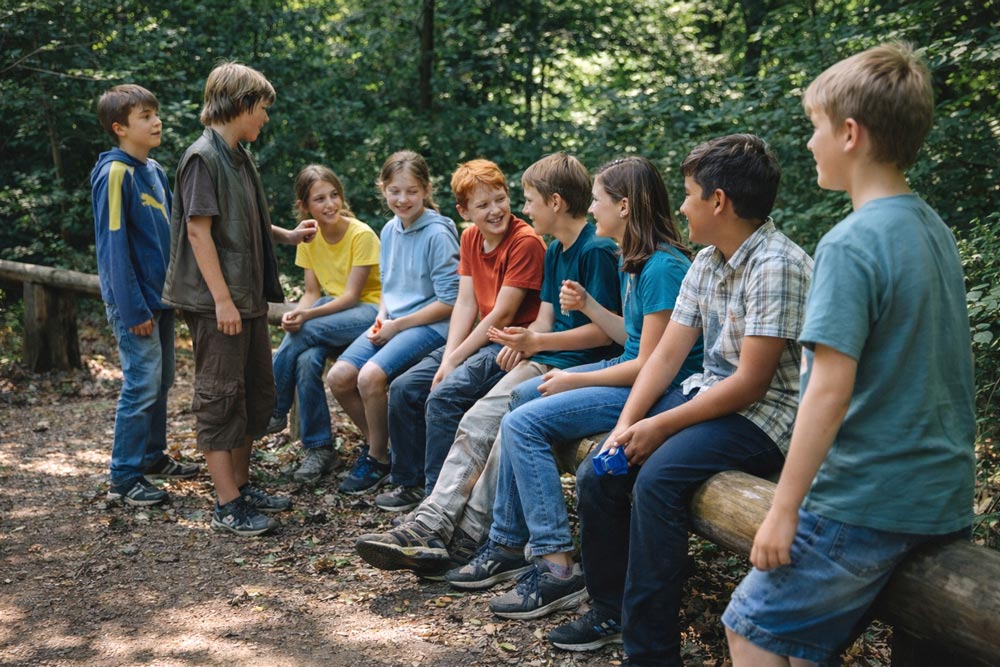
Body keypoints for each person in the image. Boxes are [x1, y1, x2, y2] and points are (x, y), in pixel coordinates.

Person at [724, 43, 975, 667]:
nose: (810, 143)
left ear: (850, 133)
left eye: (815, 128)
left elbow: (827, 391)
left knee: (749, 627)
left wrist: (783, 509)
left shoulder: (850, 243)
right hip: (941, 492)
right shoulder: (934, 229)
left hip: (867, 498)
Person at [552, 134, 813, 664]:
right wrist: (626, 426)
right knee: (600, 470)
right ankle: (611, 611)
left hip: (768, 419)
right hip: (711, 399)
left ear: (719, 201)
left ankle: (650, 652)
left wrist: (660, 428)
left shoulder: (776, 265)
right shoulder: (708, 261)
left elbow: (751, 384)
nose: (684, 206)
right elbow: (665, 358)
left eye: (691, 194)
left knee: (658, 480)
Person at [449, 156, 705, 622]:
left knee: (523, 422)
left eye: (598, 201)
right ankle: (507, 540)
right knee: (521, 399)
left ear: (624, 207)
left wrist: (575, 378)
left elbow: (649, 366)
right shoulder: (637, 261)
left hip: (657, 393)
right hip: (634, 377)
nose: (592, 209)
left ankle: (555, 567)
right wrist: (588, 305)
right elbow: (629, 335)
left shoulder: (663, 268)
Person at [354, 152, 622, 576]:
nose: (520, 208)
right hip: (539, 356)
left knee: (496, 424)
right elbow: (544, 317)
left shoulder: (596, 251)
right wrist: (529, 339)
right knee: (477, 419)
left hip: (575, 368)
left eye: (526, 199)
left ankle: (461, 532)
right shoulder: (555, 251)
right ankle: (434, 522)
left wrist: (532, 340)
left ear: (553, 202)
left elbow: (606, 335)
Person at [161, 62, 317, 536]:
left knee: (252, 392)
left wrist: (286, 236)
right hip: (217, 304)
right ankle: (226, 503)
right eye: (263, 109)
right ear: (242, 104)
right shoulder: (201, 158)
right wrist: (222, 300)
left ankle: (243, 487)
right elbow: (198, 230)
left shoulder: (238, 155)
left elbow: (240, 219)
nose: (265, 120)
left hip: (246, 298)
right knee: (220, 396)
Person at [374, 159, 546, 511]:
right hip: (480, 338)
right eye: (483, 205)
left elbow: (502, 313)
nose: (495, 210)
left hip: (510, 344)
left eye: (500, 199)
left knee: (444, 397)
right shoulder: (469, 238)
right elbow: (465, 304)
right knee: (406, 389)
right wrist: (449, 356)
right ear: (464, 211)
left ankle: (437, 506)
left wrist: (453, 362)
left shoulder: (524, 241)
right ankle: (409, 482)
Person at [91, 84, 200, 507]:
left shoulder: (153, 170)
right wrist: (133, 306)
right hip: (134, 303)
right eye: (145, 117)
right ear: (119, 128)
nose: (156, 122)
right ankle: (124, 476)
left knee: (163, 379)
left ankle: (152, 457)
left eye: (156, 113)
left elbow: (173, 238)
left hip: (162, 298)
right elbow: (112, 246)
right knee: (141, 383)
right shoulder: (114, 173)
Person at [326, 151, 460, 494]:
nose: (403, 199)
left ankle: (378, 459)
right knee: (340, 377)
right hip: (393, 321)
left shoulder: (438, 233)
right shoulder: (388, 229)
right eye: (395, 191)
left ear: (426, 190)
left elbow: (450, 301)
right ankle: (384, 447)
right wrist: (383, 317)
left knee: (370, 376)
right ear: (383, 188)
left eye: (412, 191)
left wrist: (396, 327)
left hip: (432, 326)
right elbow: (388, 285)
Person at [266, 165, 381, 484]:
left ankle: (274, 406)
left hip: (370, 312)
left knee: (308, 328)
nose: (330, 204)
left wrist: (307, 316)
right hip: (332, 315)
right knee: (306, 358)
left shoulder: (361, 234)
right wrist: (296, 313)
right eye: (320, 199)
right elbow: (312, 293)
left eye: (334, 196)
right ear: (304, 206)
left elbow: (350, 296)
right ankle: (319, 448)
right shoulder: (309, 236)